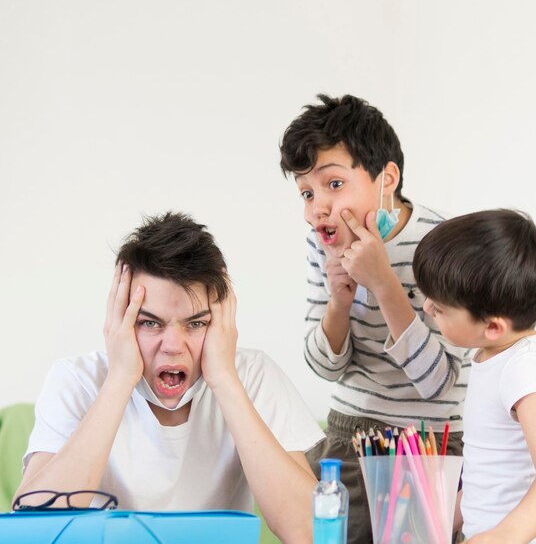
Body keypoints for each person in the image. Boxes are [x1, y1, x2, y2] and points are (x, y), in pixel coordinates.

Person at [15, 212, 324, 544]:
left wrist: (224, 380)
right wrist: (119, 379)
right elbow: (32, 531)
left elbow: (310, 530)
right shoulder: (76, 381)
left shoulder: (252, 375)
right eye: (150, 323)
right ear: (120, 319)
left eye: (196, 323)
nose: (174, 346)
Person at [279, 93, 471, 543]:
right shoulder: (321, 244)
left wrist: (383, 283)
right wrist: (339, 302)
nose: (317, 208)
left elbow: (438, 382)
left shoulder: (441, 246)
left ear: (387, 178)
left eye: (333, 184)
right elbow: (326, 366)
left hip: (431, 446)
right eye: (306, 192)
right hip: (351, 433)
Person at [412, 209, 536, 543]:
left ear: (492, 326)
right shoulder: (494, 357)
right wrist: (443, 517)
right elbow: (488, 474)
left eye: (440, 308)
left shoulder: (525, 370)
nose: (428, 307)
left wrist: (505, 536)